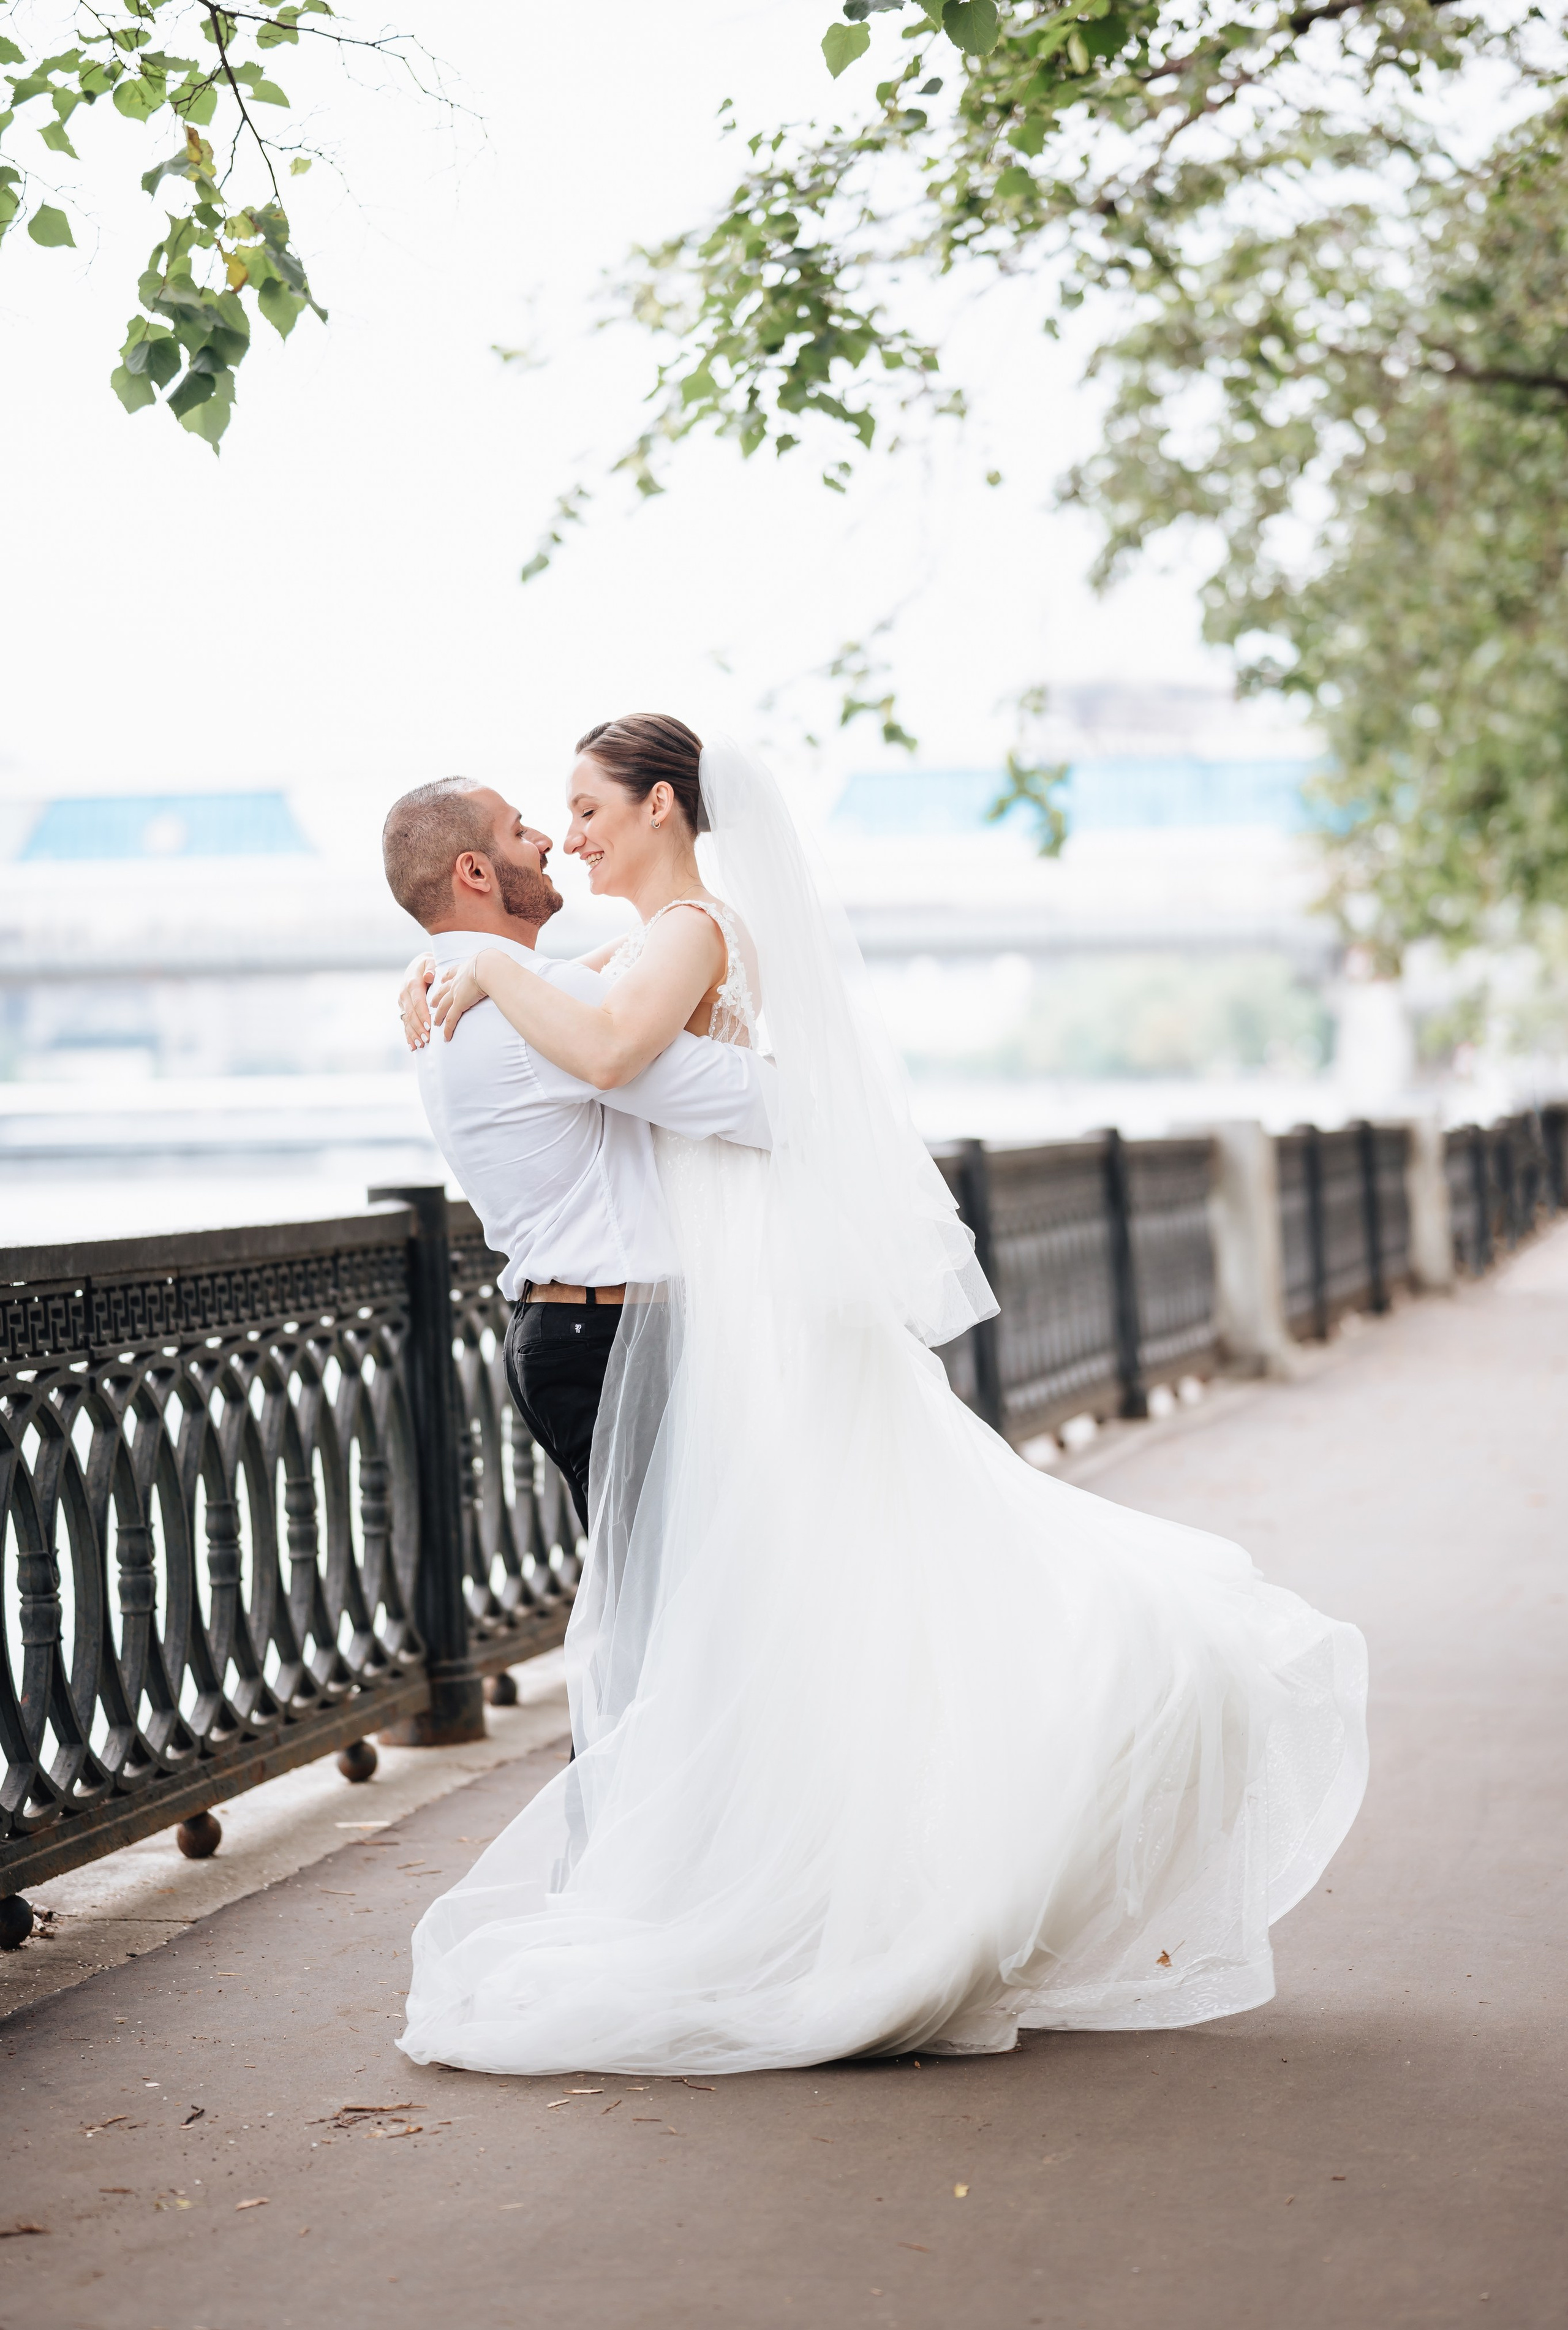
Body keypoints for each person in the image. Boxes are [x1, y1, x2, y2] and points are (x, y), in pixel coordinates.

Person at [396, 717, 1368, 2076]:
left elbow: (633, 1061)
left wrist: (493, 959)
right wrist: (510, 971)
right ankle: (740, 1892)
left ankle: (757, 1898)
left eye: (581, 804)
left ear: (662, 804)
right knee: (728, 1630)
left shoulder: (665, 936)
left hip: (676, 1332)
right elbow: (664, 1072)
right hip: (640, 1334)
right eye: (536, 821)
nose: (562, 832)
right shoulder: (590, 959)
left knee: (729, 1628)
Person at [380, 771, 777, 1533]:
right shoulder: (524, 1010)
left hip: (576, 1334)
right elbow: (744, 1102)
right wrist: (814, 1098)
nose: (549, 841)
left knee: (660, 1599)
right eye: (521, 828)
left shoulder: (468, 989)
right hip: (608, 1342)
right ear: (475, 871)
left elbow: (620, 971)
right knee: (672, 1606)